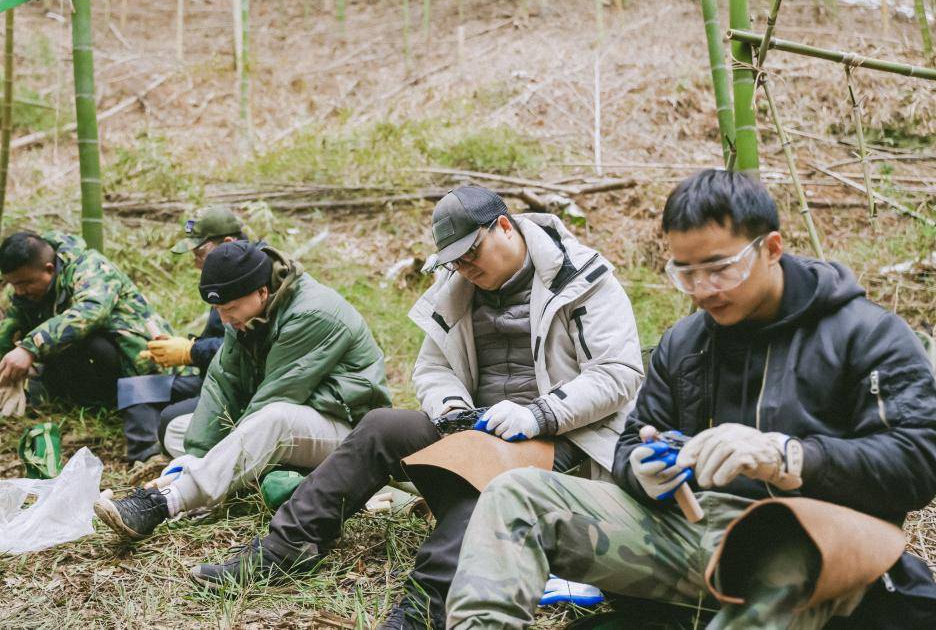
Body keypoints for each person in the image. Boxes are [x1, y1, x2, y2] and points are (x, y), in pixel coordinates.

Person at [444, 169, 936, 628]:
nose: (703, 290)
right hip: (692, 533)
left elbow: (918, 463)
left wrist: (788, 456)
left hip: (819, 542)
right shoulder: (686, 343)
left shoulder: (867, 335)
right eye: (686, 273)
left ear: (772, 248)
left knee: (785, 551)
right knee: (518, 493)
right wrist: (644, 471)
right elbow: (631, 444)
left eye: (720, 269)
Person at [189, 185, 644, 629]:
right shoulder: (458, 285)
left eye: (471, 254)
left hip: (564, 435)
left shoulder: (581, 276)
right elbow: (431, 368)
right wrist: (450, 408)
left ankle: (424, 607)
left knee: (491, 485)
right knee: (382, 426)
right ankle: (287, 548)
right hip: (477, 428)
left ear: (504, 226)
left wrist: (539, 413)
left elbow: (618, 373)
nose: (464, 268)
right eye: (454, 260)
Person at [94, 240, 392, 540]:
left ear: (262, 292)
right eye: (217, 310)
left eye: (230, 309)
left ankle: (165, 503)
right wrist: (191, 458)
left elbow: (276, 396)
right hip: (291, 424)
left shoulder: (313, 313)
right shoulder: (246, 313)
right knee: (178, 429)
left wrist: (188, 473)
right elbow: (221, 381)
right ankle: (239, 478)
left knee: (275, 419)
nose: (224, 319)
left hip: (349, 430)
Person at [0, 231, 173, 443]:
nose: (20, 292)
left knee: (87, 340)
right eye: (13, 285)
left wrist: (29, 348)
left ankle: (110, 406)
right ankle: (79, 403)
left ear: (49, 269)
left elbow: (90, 312)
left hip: (143, 368)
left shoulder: (91, 267)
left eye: (26, 283)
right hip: (98, 371)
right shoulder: (29, 296)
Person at [117, 206, 245, 464]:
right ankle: (147, 456)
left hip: (240, 387)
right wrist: (183, 348)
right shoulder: (225, 273)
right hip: (211, 374)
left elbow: (245, 351)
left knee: (171, 420)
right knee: (134, 387)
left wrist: (190, 351)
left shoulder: (254, 279)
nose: (196, 262)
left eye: (200, 253)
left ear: (228, 243)